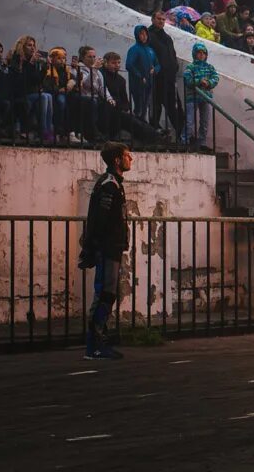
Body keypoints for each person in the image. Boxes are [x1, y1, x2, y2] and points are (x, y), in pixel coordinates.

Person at [78, 141, 132, 360]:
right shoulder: (109, 185)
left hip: (111, 247)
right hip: (108, 248)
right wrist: (96, 246)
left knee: (107, 294)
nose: (131, 158)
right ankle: (95, 344)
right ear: (117, 160)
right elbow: (101, 220)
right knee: (105, 294)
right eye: (127, 155)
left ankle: (99, 340)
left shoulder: (113, 183)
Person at [148, 11, 181, 135]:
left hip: (169, 77)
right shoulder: (149, 35)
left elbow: (172, 54)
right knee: (155, 104)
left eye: (163, 19)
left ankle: (181, 131)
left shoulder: (167, 37)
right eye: (158, 19)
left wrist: (175, 66)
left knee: (173, 106)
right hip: (157, 76)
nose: (161, 21)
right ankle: (153, 129)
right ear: (152, 19)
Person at [182, 42, 219, 148]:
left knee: (205, 122)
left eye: (204, 53)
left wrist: (208, 83)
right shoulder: (190, 67)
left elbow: (215, 78)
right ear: (194, 54)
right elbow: (187, 79)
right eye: (199, 53)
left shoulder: (210, 67)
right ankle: (185, 139)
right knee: (189, 121)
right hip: (192, 97)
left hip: (206, 97)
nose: (201, 55)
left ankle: (201, 142)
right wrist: (199, 81)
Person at [126, 25, 159, 123]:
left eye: (145, 34)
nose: (144, 36)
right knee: (138, 108)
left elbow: (157, 64)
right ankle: (137, 128)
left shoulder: (150, 50)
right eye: (141, 34)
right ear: (137, 35)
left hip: (149, 82)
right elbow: (129, 65)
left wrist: (155, 70)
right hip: (137, 83)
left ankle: (143, 128)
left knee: (146, 107)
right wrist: (140, 76)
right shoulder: (134, 49)